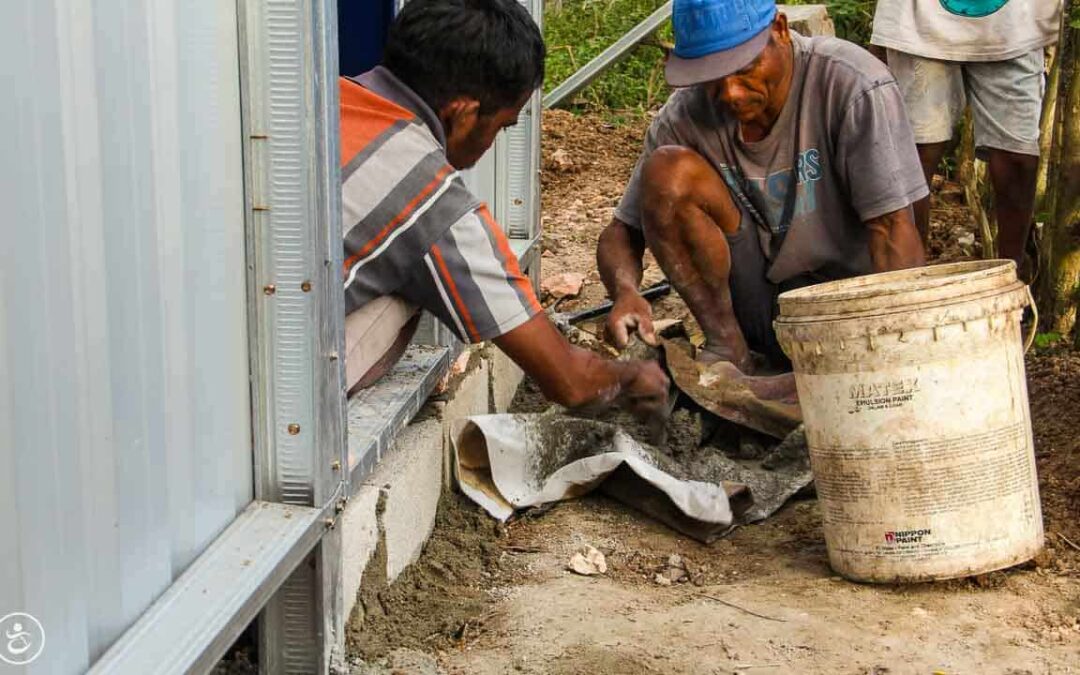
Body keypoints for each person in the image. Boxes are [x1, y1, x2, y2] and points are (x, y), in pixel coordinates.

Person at [341, 0, 669, 420]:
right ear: (464, 114)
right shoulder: (430, 198)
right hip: (262, 398)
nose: (491, 144)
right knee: (406, 285)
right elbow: (568, 381)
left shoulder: (318, 98)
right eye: (502, 125)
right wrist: (630, 377)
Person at [597, 0, 927, 373]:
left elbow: (893, 228)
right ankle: (730, 352)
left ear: (781, 30)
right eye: (712, 78)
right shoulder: (682, 117)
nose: (732, 94)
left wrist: (897, 350)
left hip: (848, 308)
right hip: (756, 306)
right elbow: (622, 232)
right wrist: (625, 293)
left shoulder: (853, 84)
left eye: (745, 69)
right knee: (668, 171)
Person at [871, 0, 1061, 274]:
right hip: (917, 20)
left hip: (1015, 22)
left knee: (1017, 158)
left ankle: (1013, 274)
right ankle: (911, 280)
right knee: (917, 152)